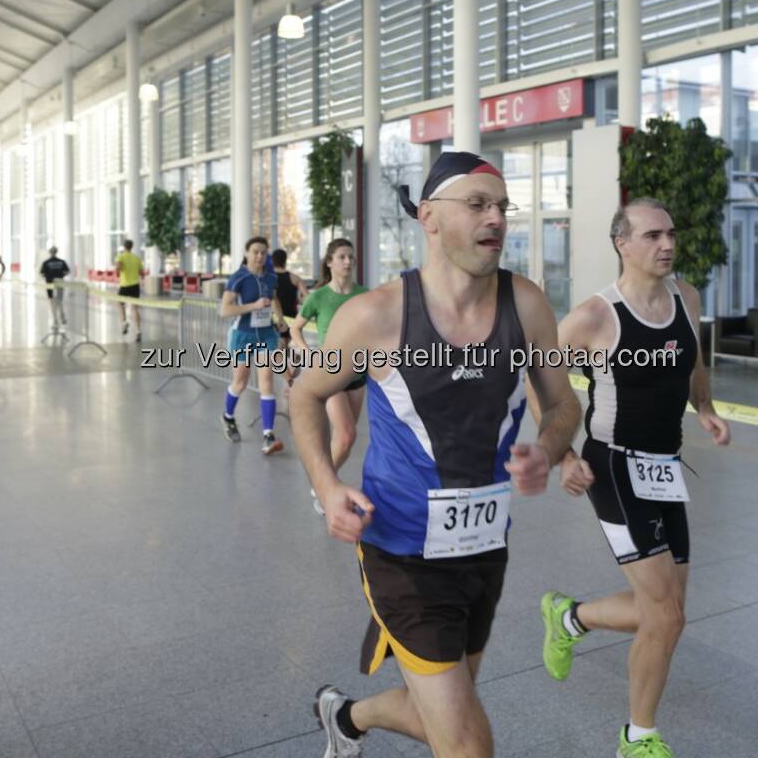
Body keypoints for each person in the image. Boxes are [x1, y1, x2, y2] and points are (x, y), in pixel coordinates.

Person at [290, 152, 581, 758]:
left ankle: (346, 716)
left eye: (502, 206)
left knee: (446, 712)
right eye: (477, 204)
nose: (495, 218)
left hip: (483, 548)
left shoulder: (525, 305)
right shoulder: (374, 316)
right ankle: (348, 717)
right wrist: (326, 486)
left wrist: (548, 449)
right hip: (400, 551)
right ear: (428, 216)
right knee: (469, 744)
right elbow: (305, 395)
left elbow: (563, 406)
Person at [535, 198, 730, 758]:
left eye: (670, 233)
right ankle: (637, 737)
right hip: (614, 465)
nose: (666, 244)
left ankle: (568, 617)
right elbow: (540, 378)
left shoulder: (685, 298)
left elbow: (692, 360)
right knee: (665, 614)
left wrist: (706, 407)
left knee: (668, 610)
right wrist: (563, 455)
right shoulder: (597, 316)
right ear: (622, 243)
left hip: (665, 467)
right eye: (651, 235)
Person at [288, 238, 367, 515]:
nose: (348, 262)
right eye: (342, 257)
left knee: (343, 439)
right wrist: (309, 354)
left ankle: (321, 484)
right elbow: (296, 329)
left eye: (351, 257)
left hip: (358, 374)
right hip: (330, 372)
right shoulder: (319, 297)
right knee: (346, 435)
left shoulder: (364, 295)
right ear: (330, 262)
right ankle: (323, 487)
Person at [220, 236, 285, 455]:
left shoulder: (271, 278)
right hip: (243, 336)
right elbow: (225, 310)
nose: (259, 256)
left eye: (263, 252)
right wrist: (253, 306)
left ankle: (268, 435)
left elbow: (274, 298)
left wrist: (281, 318)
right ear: (247, 253)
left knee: (267, 382)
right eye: (255, 252)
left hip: (266, 335)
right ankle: (228, 417)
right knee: (240, 382)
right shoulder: (237, 279)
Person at [273, 248, 308, 383]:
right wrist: (300, 302)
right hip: (291, 318)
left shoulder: (269, 278)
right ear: (285, 261)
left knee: (276, 352)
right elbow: (307, 297)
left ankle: (289, 381)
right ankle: (294, 358)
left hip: (275, 318)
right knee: (282, 348)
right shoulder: (294, 278)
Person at [116, 239, 144, 343]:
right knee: (135, 308)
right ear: (132, 247)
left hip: (124, 285)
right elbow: (142, 273)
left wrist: (119, 271)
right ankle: (138, 331)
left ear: (124, 246)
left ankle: (124, 322)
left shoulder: (121, 256)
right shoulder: (137, 258)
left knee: (120, 304)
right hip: (135, 285)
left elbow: (118, 267)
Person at [39, 245, 71, 330]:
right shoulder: (61, 262)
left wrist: (48, 277)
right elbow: (67, 271)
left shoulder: (46, 263)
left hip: (50, 283)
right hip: (59, 282)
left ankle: (56, 320)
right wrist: (61, 275)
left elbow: (42, 273)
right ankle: (62, 317)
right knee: (59, 301)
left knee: (52, 302)